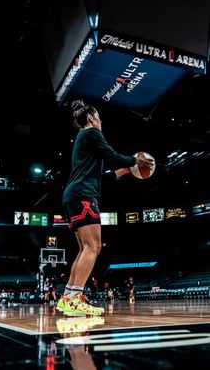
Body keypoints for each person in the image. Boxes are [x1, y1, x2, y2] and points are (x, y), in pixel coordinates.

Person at [56, 99, 153, 316]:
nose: (101, 120)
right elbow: (112, 156)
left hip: (73, 195)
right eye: (98, 116)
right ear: (90, 118)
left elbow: (101, 174)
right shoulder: (91, 133)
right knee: (93, 247)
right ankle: (74, 299)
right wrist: (134, 161)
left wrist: (125, 171)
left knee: (84, 249)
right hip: (83, 196)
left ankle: (67, 298)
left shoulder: (83, 139)